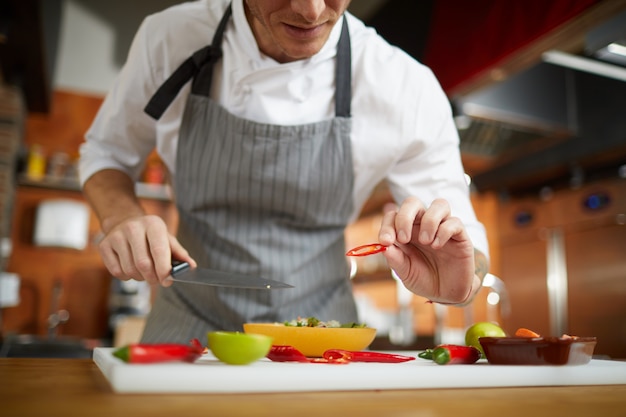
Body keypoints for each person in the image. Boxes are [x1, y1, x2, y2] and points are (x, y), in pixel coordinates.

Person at [79, 0, 489, 343]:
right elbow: (106, 153)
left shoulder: (404, 85)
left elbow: (465, 242)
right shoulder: (168, 38)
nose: (310, 11)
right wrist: (122, 217)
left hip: (322, 334)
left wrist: (461, 283)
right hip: (186, 322)